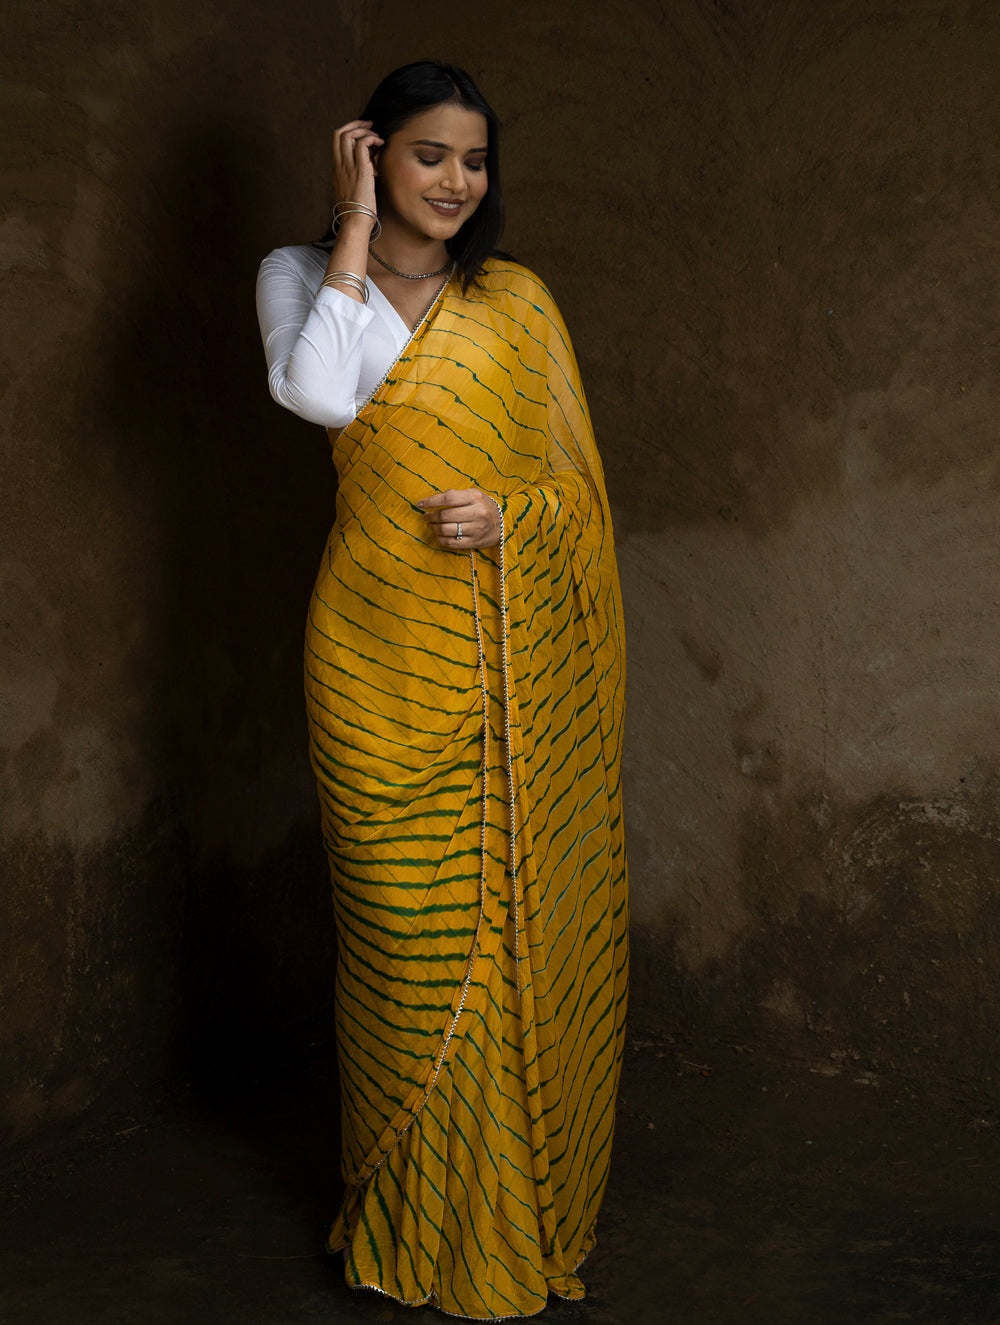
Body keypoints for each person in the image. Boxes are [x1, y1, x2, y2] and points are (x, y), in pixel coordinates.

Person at [255, 61, 628, 1320]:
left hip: (507, 656)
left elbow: (574, 491)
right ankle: (403, 1226)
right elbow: (316, 394)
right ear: (370, 154)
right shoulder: (300, 278)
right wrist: (353, 232)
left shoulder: (515, 302)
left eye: (473, 160)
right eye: (427, 156)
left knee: (509, 931)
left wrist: (513, 513)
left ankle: (501, 1226)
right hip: (373, 658)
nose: (456, 182)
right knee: (403, 944)